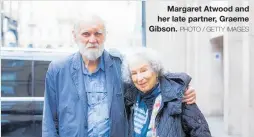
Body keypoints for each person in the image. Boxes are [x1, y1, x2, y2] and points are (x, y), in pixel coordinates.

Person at [42, 14, 196, 137]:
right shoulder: (58, 70)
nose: (92, 39)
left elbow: (153, 75)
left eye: (98, 33)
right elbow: (49, 121)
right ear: (75, 36)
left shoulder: (120, 64)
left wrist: (183, 88)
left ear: (105, 36)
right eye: (86, 34)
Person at [122, 47, 211, 137]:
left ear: (156, 71)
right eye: (134, 73)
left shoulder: (178, 95)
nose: (139, 78)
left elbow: (201, 132)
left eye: (144, 70)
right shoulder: (131, 98)